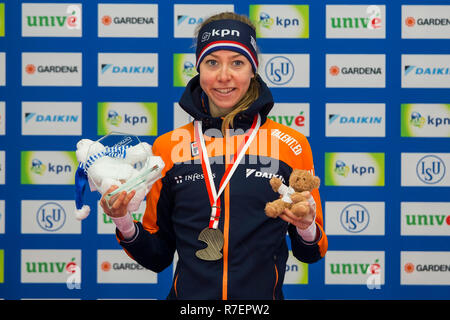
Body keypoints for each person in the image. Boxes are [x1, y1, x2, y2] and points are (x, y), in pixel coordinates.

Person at [100, 12, 328, 300]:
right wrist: (122, 221)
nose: (223, 76)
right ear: (198, 69)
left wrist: (307, 227)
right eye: (212, 62)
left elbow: (312, 252)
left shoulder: (290, 144)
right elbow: (157, 256)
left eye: (237, 62)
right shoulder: (169, 147)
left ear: (252, 70)